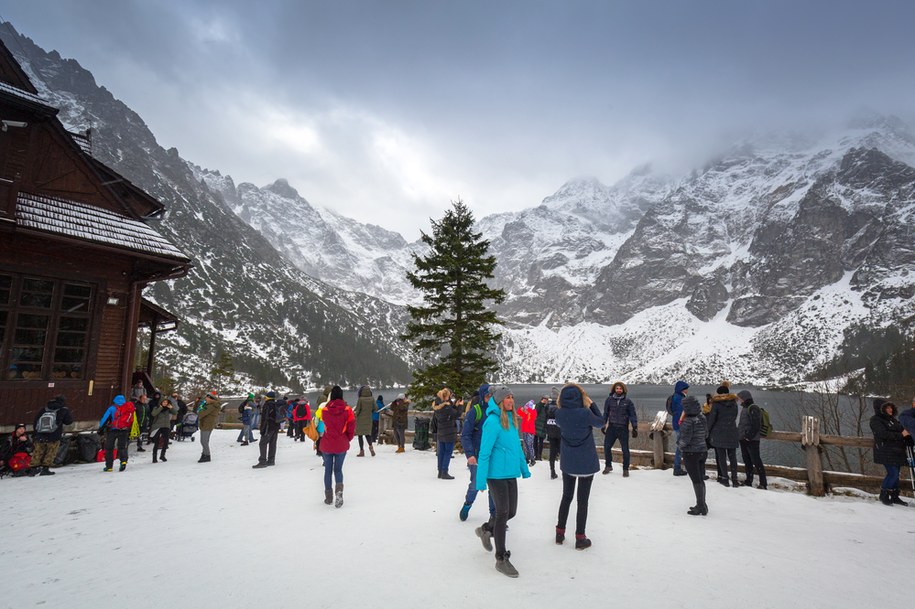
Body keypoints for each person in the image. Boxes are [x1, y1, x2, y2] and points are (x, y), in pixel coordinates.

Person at [474, 386, 530, 578]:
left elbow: (517, 448)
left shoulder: (512, 421)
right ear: (499, 401)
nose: (511, 400)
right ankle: (501, 558)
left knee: (511, 512)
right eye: (507, 397)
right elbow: (484, 453)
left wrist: (524, 468)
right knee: (503, 512)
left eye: (512, 397)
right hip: (495, 475)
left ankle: (486, 529)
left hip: (510, 473)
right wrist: (480, 480)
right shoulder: (492, 422)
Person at [554, 383, 605, 550]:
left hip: (568, 462)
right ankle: (580, 537)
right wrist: (592, 405)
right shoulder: (585, 413)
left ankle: (560, 533)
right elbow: (601, 422)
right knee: (582, 501)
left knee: (566, 497)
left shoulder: (559, 414)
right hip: (585, 462)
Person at [458, 383, 495, 521]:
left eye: (492, 395)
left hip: (493, 455)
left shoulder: (497, 411)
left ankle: (495, 516)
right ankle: (467, 504)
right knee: (475, 484)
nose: (490, 398)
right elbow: (465, 435)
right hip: (477, 455)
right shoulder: (476, 411)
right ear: (482, 396)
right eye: (487, 395)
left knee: (494, 486)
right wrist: (470, 455)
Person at [320, 386, 355, 507]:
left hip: (327, 444)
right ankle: (339, 493)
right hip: (341, 444)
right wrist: (346, 439)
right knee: (338, 469)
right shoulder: (348, 410)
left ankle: (328, 497)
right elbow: (351, 428)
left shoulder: (324, 410)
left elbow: (322, 424)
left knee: (327, 470)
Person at [870, 398, 909, 506]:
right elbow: (882, 434)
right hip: (884, 450)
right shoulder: (875, 420)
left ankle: (895, 496)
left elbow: (903, 430)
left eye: (890, 407)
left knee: (896, 475)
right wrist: (901, 435)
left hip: (896, 451)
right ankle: (884, 495)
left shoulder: (892, 420)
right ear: (881, 409)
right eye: (887, 407)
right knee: (893, 473)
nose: (890, 409)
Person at [678, 395, 709, 515]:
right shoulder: (702, 417)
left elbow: (684, 440)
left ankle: (700, 506)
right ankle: (702, 504)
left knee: (696, 480)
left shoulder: (688, 421)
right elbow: (706, 434)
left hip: (691, 453)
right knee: (700, 478)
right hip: (702, 450)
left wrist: (679, 447)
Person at [601, 382, 638, 477]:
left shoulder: (628, 401)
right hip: (612, 427)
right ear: (614, 389)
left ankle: (626, 469)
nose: (618, 390)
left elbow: (632, 415)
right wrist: (603, 424)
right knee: (606, 447)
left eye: (620, 389)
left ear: (623, 390)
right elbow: (605, 413)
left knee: (625, 450)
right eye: (617, 388)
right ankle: (608, 466)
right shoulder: (609, 400)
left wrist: (634, 427)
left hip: (623, 428)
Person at [31, 395, 73, 476]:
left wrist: (36, 433)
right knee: (51, 452)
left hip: (40, 434)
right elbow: (69, 421)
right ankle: (45, 469)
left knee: (38, 451)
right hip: (54, 434)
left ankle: (33, 469)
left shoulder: (45, 408)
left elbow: (36, 420)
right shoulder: (63, 409)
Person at [707, 382, 740, 487]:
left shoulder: (716, 404)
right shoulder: (734, 403)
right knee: (732, 457)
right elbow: (734, 416)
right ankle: (734, 479)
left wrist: (707, 431)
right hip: (732, 432)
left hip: (719, 433)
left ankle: (724, 478)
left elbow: (712, 419)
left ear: (718, 393)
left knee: (722, 457)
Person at [737, 390, 768, 490]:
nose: (739, 400)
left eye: (740, 398)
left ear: (744, 398)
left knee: (756, 461)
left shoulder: (753, 408)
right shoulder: (746, 408)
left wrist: (748, 437)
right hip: (744, 439)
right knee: (747, 461)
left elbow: (756, 425)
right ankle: (748, 480)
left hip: (752, 440)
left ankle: (763, 483)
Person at [99, 395, 135, 472]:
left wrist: (101, 429)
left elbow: (105, 418)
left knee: (109, 448)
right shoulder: (128, 408)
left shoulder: (112, 408)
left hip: (113, 430)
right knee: (122, 447)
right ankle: (123, 461)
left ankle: (109, 466)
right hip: (124, 430)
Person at [433, 388, 459, 479]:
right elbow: (456, 414)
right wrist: (460, 406)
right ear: (446, 396)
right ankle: (444, 471)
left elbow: (451, 412)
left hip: (441, 431)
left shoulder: (437, 406)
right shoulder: (446, 407)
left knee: (441, 452)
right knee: (448, 452)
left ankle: (440, 471)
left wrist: (453, 405)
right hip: (449, 432)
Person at [253, 391, 284, 468]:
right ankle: (271, 460)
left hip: (268, 427)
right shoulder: (276, 404)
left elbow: (265, 418)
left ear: (267, 397)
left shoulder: (267, 405)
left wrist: (262, 429)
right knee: (272, 443)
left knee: (262, 443)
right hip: (276, 427)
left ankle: (262, 461)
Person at [669, 380, 689, 476]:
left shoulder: (675, 397)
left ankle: (679, 467)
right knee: (681, 447)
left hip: (676, 424)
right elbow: (683, 414)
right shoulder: (680, 399)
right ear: (682, 390)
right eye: (685, 389)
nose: (687, 391)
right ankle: (677, 468)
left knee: (680, 446)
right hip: (681, 425)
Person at [197, 390, 221, 463]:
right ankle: (204, 454)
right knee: (205, 441)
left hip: (207, 425)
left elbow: (201, 414)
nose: (205, 399)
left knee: (203, 441)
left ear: (211, 398)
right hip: (206, 424)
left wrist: (201, 409)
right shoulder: (208, 405)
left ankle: (207, 455)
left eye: (207, 398)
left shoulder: (211, 406)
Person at [149, 393, 173, 463]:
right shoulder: (156, 408)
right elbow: (153, 414)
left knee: (166, 441)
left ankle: (162, 455)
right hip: (157, 426)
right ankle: (154, 457)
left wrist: (171, 408)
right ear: (161, 402)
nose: (165, 403)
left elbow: (175, 412)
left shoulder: (168, 409)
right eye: (164, 402)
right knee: (156, 442)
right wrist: (160, 407)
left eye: (166, 402)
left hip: (166, 426)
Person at [353, 386, 376, 456]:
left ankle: (362, 451)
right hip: (368, 419)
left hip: (360, 420)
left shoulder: (361, 399)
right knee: (367, 434)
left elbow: (358, 409)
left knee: (360, 436)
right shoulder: (372, 399)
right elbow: (375, 408)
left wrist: (354, 414)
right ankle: (371, 447)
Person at [545, 387, 561, 479]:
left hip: (551, 432)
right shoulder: (561, 406)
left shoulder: (547, 406)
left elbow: (544, 419)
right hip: (560, 432)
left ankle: (552, 471)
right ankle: (564, 471)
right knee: (562, 452)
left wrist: (546, 429)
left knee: (552, 453)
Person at [518, 400, 538, 466]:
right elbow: (519, 412)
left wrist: (527, 411)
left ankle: (532, 459)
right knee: (526, 445)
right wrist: (521, 409)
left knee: (530, 445)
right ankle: (526, 458)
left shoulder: (533, 412)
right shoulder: (525, 413)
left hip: (530, 431)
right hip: (525, 430)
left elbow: (533, 416)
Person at [534, 394, 549, 461]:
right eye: (544, 399)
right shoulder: (538, 405)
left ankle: (539, 455)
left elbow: (548, 414)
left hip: (543, 426)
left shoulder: (547, 407)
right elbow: (536, 412)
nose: (545, 401)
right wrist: (541, 403)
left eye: (546, 399)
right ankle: (535, 454)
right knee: (535, 440)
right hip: (537, 425)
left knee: (541, 441)